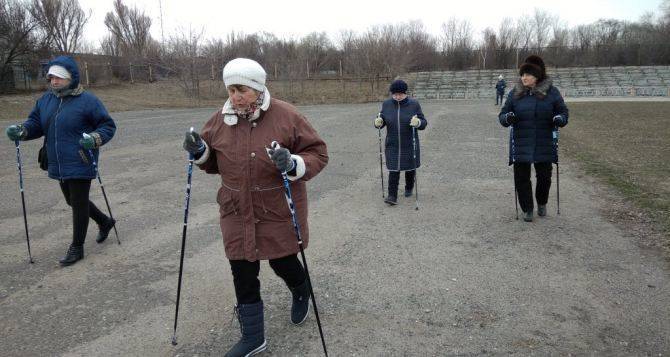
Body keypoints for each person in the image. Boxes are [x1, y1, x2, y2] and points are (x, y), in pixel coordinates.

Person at [182, 58, 328, 357]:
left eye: (242, 90)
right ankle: (253, 337)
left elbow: (318, 153)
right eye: (231, 90)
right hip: (236, 209)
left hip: (276, 207)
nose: (235, 97)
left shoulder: (286, 115)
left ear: (258, 89)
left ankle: (301, 290)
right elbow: (211, 160)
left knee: (281, 261)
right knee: (242, 268)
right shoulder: (220, 119)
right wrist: (199, 151)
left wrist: (293, 163)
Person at [5, 55, 116, 266]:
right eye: (52, 77)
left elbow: (107, 126)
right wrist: (22, 130)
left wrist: (94, 139)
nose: (54, 81)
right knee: (72, 201)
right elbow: (35, 123)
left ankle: (77, 247)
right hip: (57, 160)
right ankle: (104, 221)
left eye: (59, 77)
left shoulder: (88, 101)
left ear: (71, 78)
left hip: (81, 158)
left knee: (79, 203)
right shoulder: (46, 100)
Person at [498, 55, 568, 222]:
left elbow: (563, 112)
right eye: (522, 75)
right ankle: (527, 208)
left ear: (537, 76)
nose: (524, 78)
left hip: (544, 141)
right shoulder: (515, 93)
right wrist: (508, 118)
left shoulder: (552, 92)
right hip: (521, 141)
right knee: (521, 177)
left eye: (528, 74)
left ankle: (542, 202)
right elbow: (502, 115)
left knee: (544, 176)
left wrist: (560, 119)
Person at [374, 79, 427, 205]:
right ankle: (392, 196)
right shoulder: (386, 104)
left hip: (409, 142)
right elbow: (382, 118)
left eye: (400, 94)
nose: (397, 97)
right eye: (395, 94)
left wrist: (418, 122)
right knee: (393, 169)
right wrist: (378, 122)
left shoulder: (414, 104)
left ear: (405, 93)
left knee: (410, 168)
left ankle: (409, 187)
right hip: (392, 143)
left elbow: (423, 122)